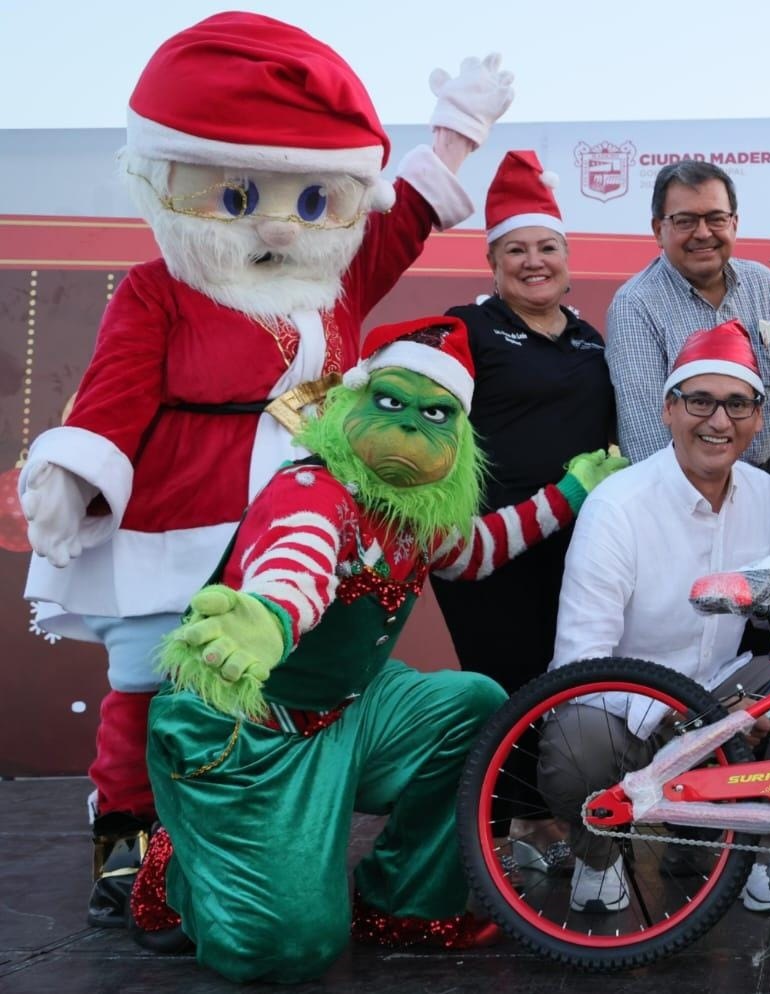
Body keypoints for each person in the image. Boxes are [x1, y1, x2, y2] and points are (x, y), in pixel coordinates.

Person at [13, 12, 513, 928]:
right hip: (187, 513)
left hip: (311, 524)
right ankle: (128, 846)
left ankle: (254, 832)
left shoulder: (337, 280)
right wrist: (77, 474)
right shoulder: (161, 288)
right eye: (240, 197)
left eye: (312, 201)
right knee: (154, 685)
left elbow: (404, 216)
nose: (281, 226)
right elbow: (112, 395)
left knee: (285, 677)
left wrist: (455, 134)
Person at [126, 316, 627, 983]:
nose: (411, 428)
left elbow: (478, 550)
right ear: (351, 403)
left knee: (473, 702)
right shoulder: (314, 490)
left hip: (347, 712)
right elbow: (296, 562)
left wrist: (571, 491)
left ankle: (404, 902)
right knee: (289, 950)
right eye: (390, 403)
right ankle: (179, 867)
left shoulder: (414, 511)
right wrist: (267, 620)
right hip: (250, 735)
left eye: (434, 414)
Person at [545, 318, 770, 914]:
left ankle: (762, 851)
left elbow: (762, 612)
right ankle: (597, 855)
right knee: (577, 743)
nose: (719, 421)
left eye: (738, 404)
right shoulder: (617, 507)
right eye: (700, 401)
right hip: (626, 705)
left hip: (719, 687)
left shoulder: (764, 495)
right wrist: (700, 717)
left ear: (758, 418)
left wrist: (742, 704)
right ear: (668, 410)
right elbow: (580, 666)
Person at [429, 150, 615, 873]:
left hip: (576, 545)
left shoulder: (590, 340)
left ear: (567, 258)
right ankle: (499, 830)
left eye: (546, 248)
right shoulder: (467, 329)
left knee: (555, 681)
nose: (533, 262)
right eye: (516, 250)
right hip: (490, 546)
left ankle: (542, 820)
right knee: (499, 683)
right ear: (492, 261)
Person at [605, 161, 770, 469]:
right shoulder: (635, 304)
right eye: (685, 221)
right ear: (658, 230)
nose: (703, 233)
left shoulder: (763, 284)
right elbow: (647, 442)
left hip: (768, 481)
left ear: (734, 223)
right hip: (684, 487)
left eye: (716, 218)